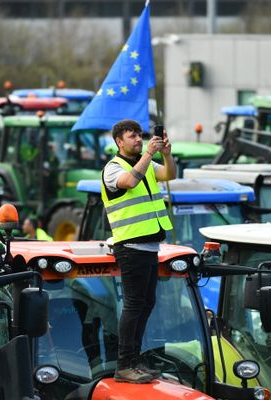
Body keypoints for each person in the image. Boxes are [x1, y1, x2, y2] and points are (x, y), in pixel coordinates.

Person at [101, 119, 176, 383]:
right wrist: (149, 154)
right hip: (130, 246)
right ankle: (124, 365)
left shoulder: (146, 163)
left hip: (148, 246)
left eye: (140, 135)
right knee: (134, 305)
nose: (138, 139)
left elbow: (170, 175)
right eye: (132, 136)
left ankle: (134, 360)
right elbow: (130, 182)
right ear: (119, 142)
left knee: (146, 303)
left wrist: (166, 155)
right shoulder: (113, 168)